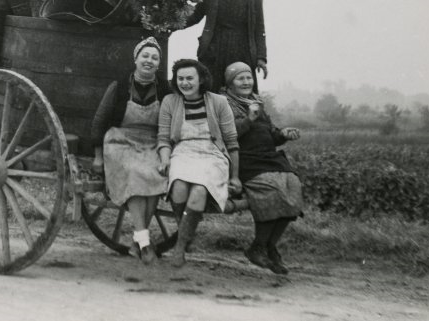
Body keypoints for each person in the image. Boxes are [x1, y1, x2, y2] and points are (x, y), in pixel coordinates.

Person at [90, 37, 171, 264]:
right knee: (135, 172)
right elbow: (100, 120)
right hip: (120, 140)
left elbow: (171, 122)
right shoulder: (119, 86)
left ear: (159, 64)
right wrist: (97, 156)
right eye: (145, 56)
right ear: (135, 59)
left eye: (154, 58)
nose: (149, 60)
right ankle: (146, 245)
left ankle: (138, 241)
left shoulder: (165, 89)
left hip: (152, 142)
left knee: (157, 174)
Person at [157, 59, 241, 267]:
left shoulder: (219, 102)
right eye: (181, 79)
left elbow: (231, 142)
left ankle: (180, 246)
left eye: (189, 78)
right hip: (182, 151)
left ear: (201, 79)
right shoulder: (170, 102)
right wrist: (165, 159)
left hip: (212, 154)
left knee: (199, 191)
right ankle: (187, 233)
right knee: (178, 188)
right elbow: (164, 139)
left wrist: (235, 175)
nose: (185, 83)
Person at [223, 62, 303, 275]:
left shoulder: (257, 103)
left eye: (249, 77)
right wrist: (248, 119)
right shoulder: (225, 105)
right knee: (272, 188)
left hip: (269, 158)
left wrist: (283, 134)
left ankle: (267, 246)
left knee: (293, 187)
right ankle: (259, 246)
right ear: (230, 83)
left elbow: (270, 134)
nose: (246, 82)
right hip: (245, 160)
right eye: (240, 78)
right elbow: (227, 135)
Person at [182, 0, 268, 93]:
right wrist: (171, 24)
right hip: (214, 48)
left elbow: (259, 28)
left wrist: (261, 57)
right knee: (210, 91)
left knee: (241, 92)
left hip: (243, 50)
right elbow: (196, 15)